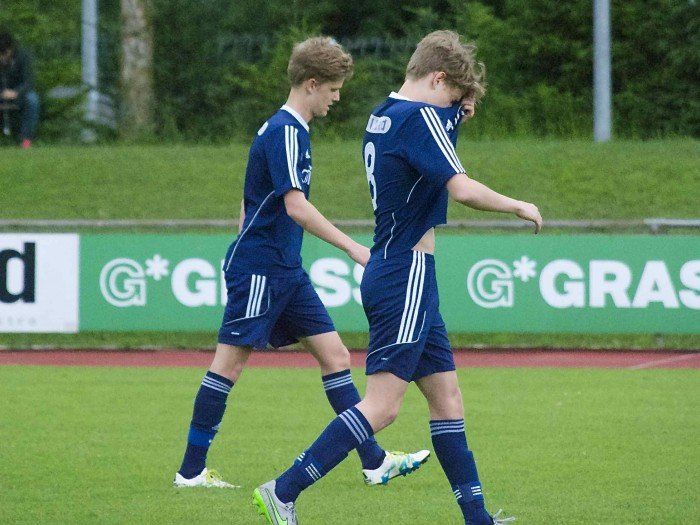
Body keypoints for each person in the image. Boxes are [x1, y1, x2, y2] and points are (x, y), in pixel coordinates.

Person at [253, 30, 542, 525]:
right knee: (383, 407)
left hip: (403, 272)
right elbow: (460, 188)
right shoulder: (421, 119)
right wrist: (516, 204)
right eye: (453, 96)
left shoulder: (385, 115)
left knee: (447, 400)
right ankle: (283, 490)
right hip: (405, 273)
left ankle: (477, 518)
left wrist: (456, 115)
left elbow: (428, 151)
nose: (452, 108)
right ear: (438, 79)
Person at [173, 36, 429, 490]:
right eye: (333, 89)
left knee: (336, 356)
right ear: (311, 84)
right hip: (262, 269)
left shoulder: (284, 130)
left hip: (284, 269)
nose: (336, 98)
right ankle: (190, 472)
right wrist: (353, 248)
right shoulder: (286, 131)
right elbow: (296, 207)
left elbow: (249, 200)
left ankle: (374, 462)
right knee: (228, 365)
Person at [0, 31, 39, 148]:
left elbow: (28, 82)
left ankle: (26, 139)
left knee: (32, 100)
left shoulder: (22, 57)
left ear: (10, 49)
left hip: (18, 95)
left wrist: (16, 92)